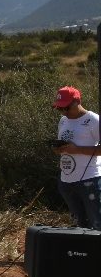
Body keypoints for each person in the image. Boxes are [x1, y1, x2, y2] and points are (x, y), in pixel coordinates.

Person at [52, 86, 101, 229]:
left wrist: (77, 150)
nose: (63, 112)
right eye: (60, 108)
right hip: (66, 181)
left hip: (90, 180)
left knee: (97, 224)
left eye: (66, 108)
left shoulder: (94, 120)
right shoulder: (63, 121)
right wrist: (59, 149)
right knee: (79, 227)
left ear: (77, 102)